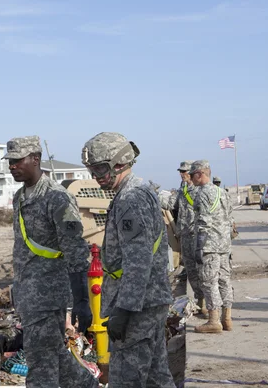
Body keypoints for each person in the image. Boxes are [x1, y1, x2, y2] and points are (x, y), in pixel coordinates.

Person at [81, 132, 176, 388]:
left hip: (138, 307)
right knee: (157, 377)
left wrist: (124, 309)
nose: (96, 176)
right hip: (148, 302)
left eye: (100, 168)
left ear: (120, 163)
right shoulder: (133, 192)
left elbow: (138, 260)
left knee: (126, 380)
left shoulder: (131, 198)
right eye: (91, 170)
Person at [4, 135, 97, 388]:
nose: (12, 166)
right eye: (9, 161)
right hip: (28, 292)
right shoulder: (20, 197)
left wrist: (80, 301)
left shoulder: (57, 198)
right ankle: (86, 385)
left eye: (17, 160)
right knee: (52, 352)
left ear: (35, 159)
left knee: (40, 361)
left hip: (49, 293)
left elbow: (76, 251)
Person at [189, 160, 234, 333]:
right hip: (224, 244)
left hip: (210, 245)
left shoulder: (202, 193)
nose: (191, 179)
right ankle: (227, 318)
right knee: (224, 280)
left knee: (209, 282)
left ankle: (214, 320)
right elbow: (229, 218)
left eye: (193, 175)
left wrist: (199, 247)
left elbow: (203, 222)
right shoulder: (222, 192)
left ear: (200, 174)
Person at [163, 161, 208, 318]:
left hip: (196, 235)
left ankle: (207, 303)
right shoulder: (183, 190)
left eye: (185, 172)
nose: (182, 174)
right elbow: (171, 204)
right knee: (190, 270)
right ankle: (200, 301)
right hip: (185, 235)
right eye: (180, 172)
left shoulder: (198, 190)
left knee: (201, 270)